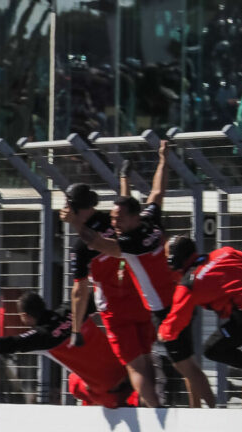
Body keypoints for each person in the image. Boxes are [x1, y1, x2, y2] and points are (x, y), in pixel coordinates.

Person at [66, 143, 215, 408]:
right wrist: (162, 161)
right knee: (183, 361)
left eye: (118, 220)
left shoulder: (130, 243)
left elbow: (99, 246)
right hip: (173, 297)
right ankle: (197, 411)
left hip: (154, 308)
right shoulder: (149, 220)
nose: (115, 223)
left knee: (157, 367)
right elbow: (157, 192)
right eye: (113, 218)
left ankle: (192, 413)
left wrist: (75, 223)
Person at [159, 235, 242, 407]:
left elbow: (176, 319)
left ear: (173, 261)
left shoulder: (189, 284)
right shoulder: (224, 253)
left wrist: (163, 332)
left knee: (212, 350)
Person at [0, 292, 136, 408]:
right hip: (127, 370)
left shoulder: (43, 336)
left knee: (75, 386)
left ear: (25, 316)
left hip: (109, 390)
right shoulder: (71, 309)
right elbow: (100, 295)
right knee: (74, 382)